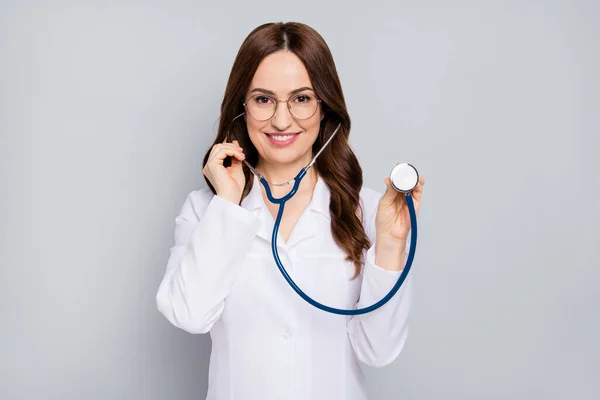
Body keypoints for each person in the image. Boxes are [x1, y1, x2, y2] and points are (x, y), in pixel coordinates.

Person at [156, 21, 425, 400]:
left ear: (324, 107)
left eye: (301, 98)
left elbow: (378, 351)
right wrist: (228, 204)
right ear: (241, 108)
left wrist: (393, 244)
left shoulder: (364, 208)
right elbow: (189, 315)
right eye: (263, 99)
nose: (281, 121)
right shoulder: (206, 210)